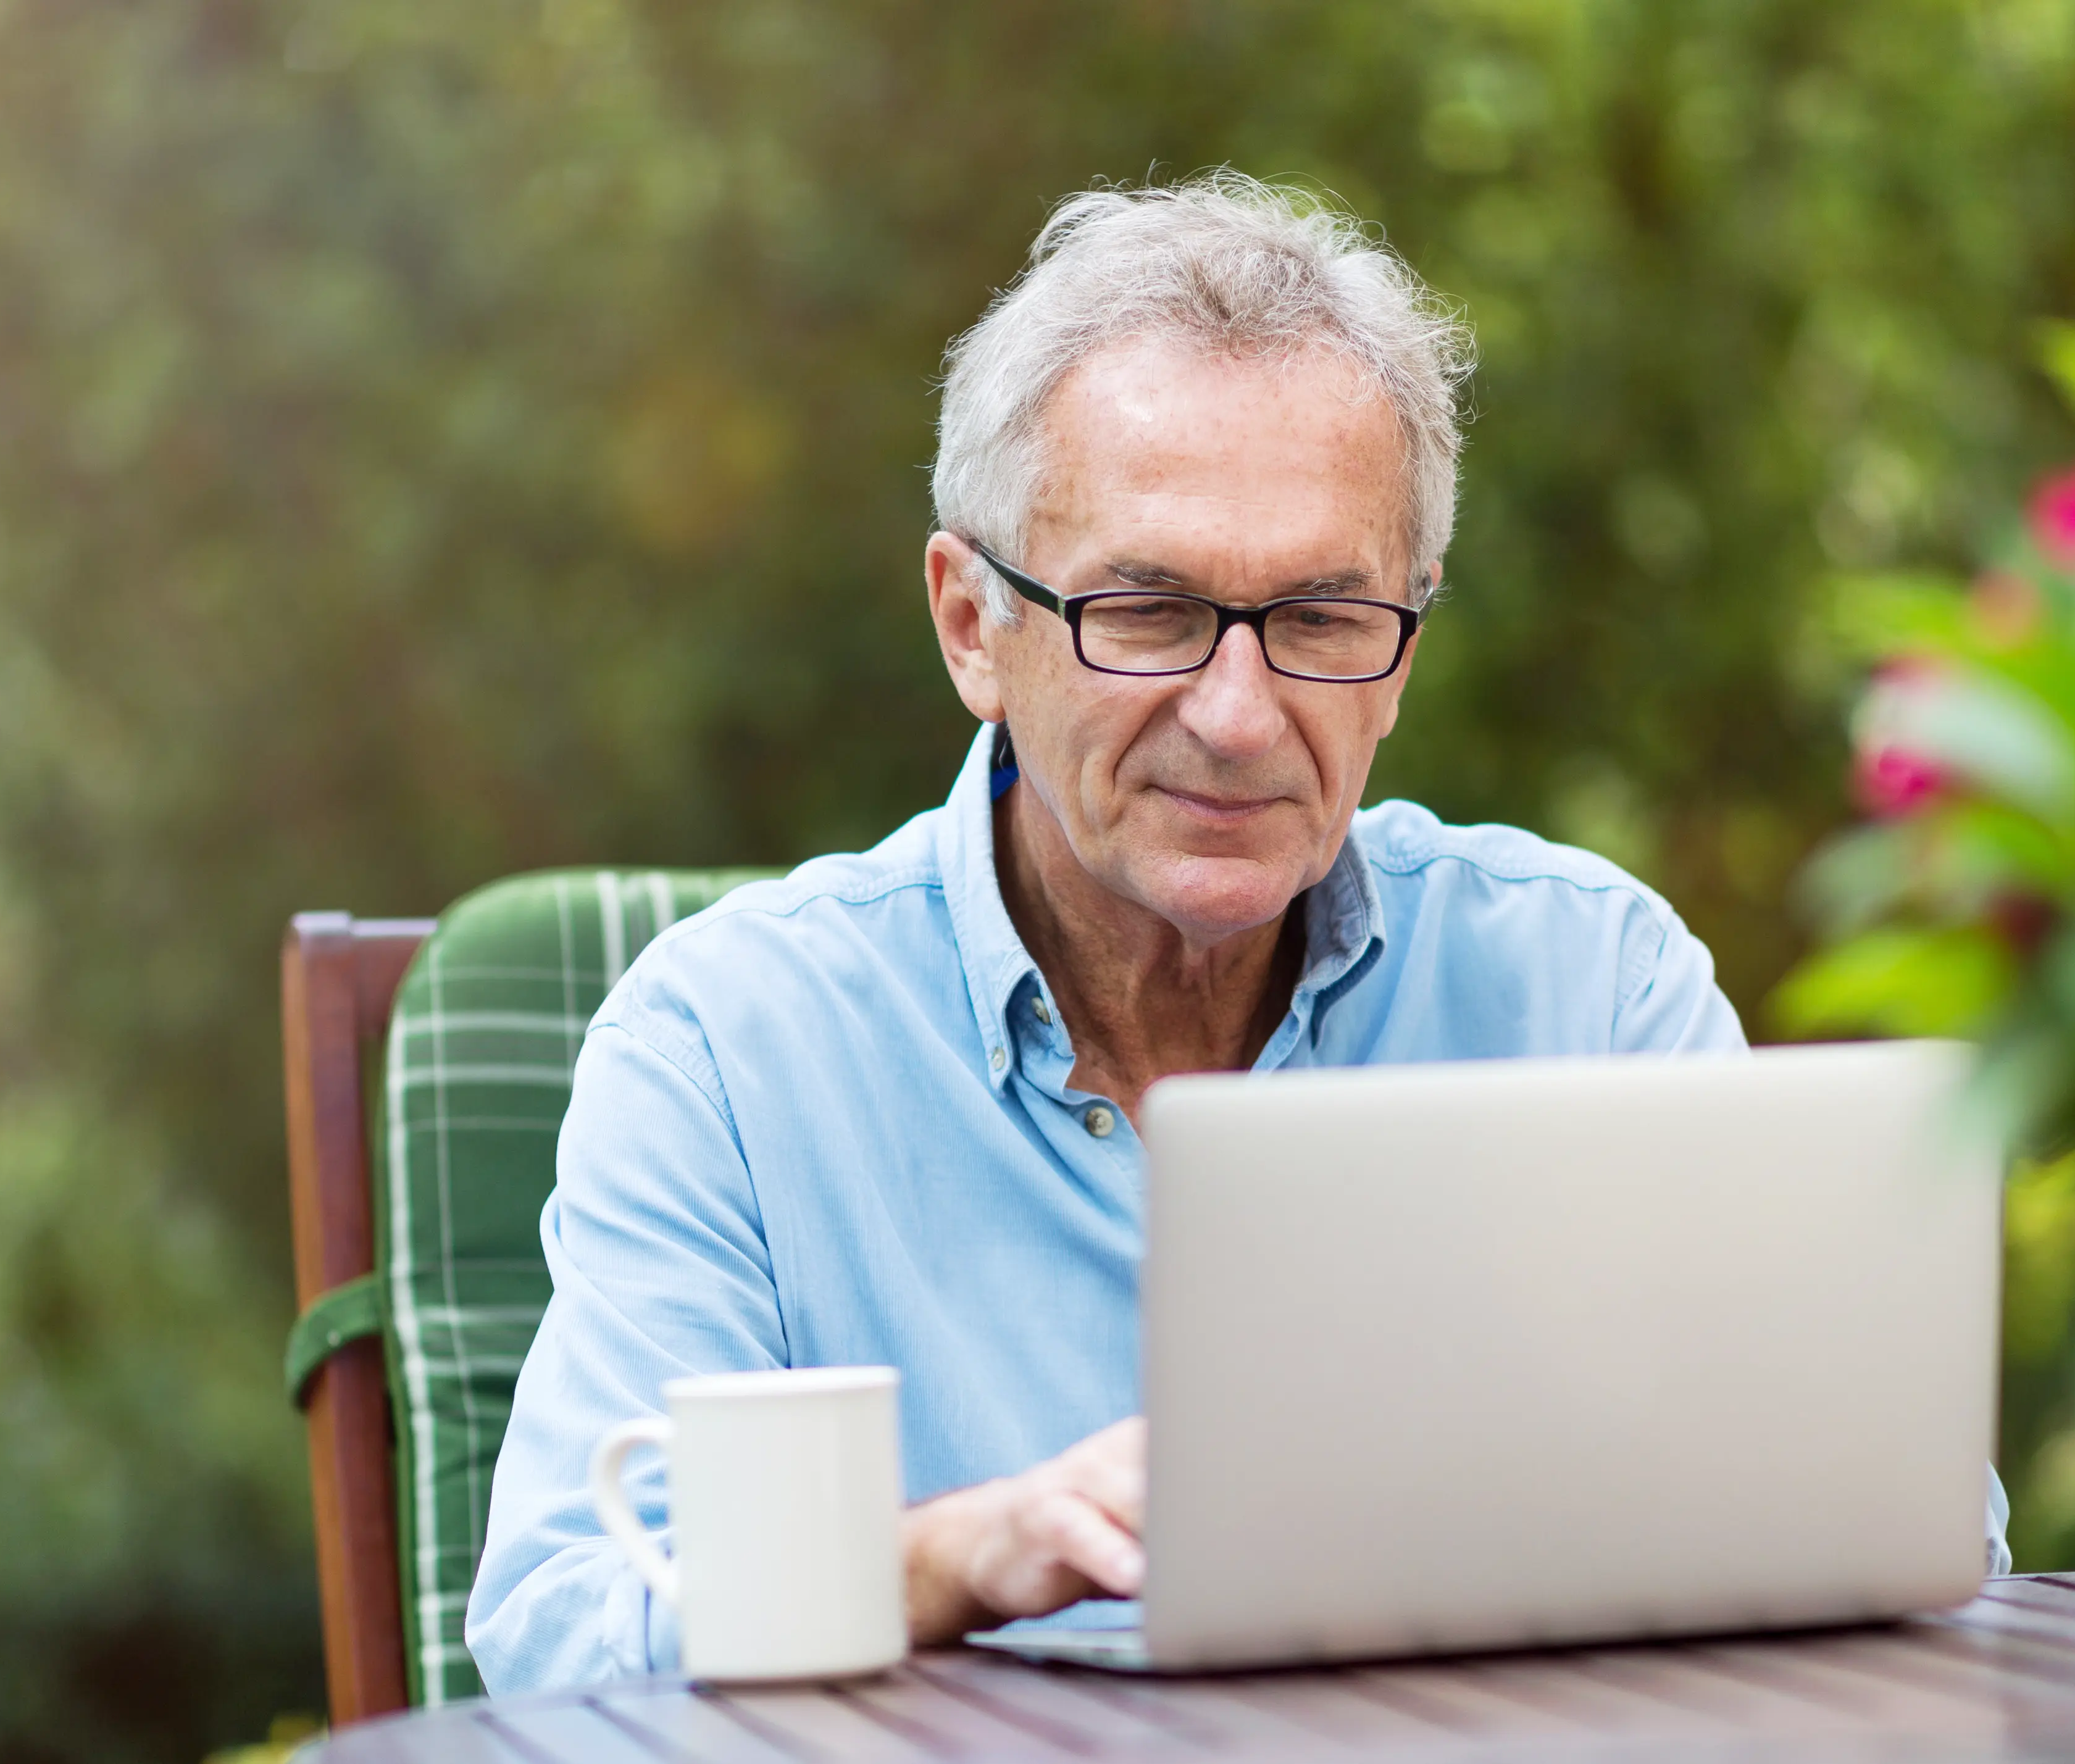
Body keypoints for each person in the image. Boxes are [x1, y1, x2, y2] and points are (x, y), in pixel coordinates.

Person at [467, 172, 1997, 1694]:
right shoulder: (731, 1046)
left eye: (1326, 620)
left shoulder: (1588, 979)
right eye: (1147, 611)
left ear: (1405, 650)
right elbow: (560, 1642)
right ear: (969, 625)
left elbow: (1918, 1538)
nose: (1240, 714)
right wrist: (946, 1562)